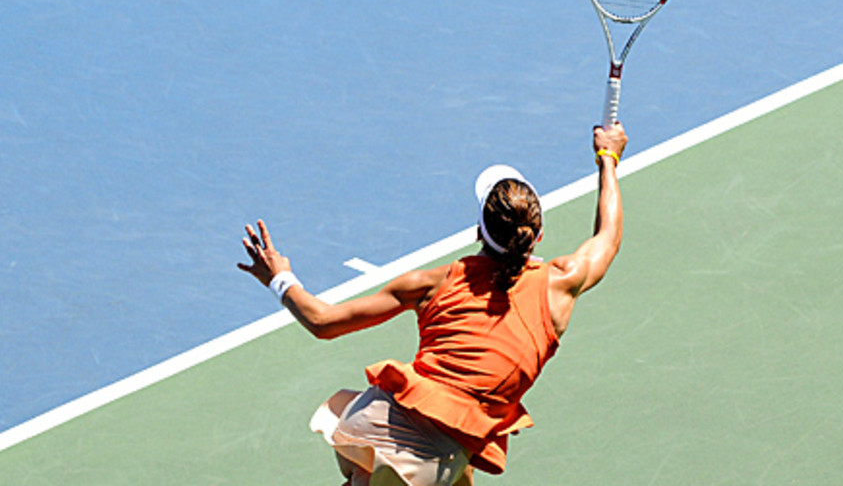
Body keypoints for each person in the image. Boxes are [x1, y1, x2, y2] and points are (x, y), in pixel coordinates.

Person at [238, 123, 628, 486]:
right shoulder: (561, 284)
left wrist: (279, 277)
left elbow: (322, 321)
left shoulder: (431, 283)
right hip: (439, 459)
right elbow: (607, 239)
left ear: (480, 231)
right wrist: (608, 159)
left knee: (372, 461)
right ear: (537, 236)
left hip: (381, 425)